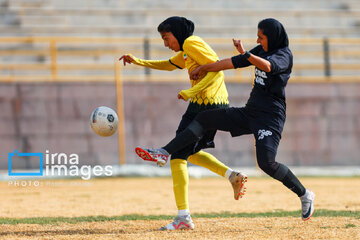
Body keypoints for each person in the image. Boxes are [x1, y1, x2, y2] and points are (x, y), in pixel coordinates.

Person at [136, 18, 315, 222]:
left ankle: (304, 194)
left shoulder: (284, 55)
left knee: (267, 163)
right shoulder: (260, 50)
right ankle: (163, 152)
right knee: (204, 118)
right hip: (249, 113)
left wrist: (246, 53)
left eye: (261, 37)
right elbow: (230, 63)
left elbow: (267, 67)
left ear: (273, 37)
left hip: (269, 119)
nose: (258, 39)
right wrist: (206, 68)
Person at [119, 16, 247, 231]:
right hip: (204, 102)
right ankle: (231, 176)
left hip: (207, 103)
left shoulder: (191, 42)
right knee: (190, 153)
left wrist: (191, 91)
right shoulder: (187, 50)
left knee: (177, 155)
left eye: (167, 38)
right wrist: (138, 61)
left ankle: (183, 216)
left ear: (177, 34)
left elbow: (215, 69)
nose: (165, 44)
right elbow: (169, 65)